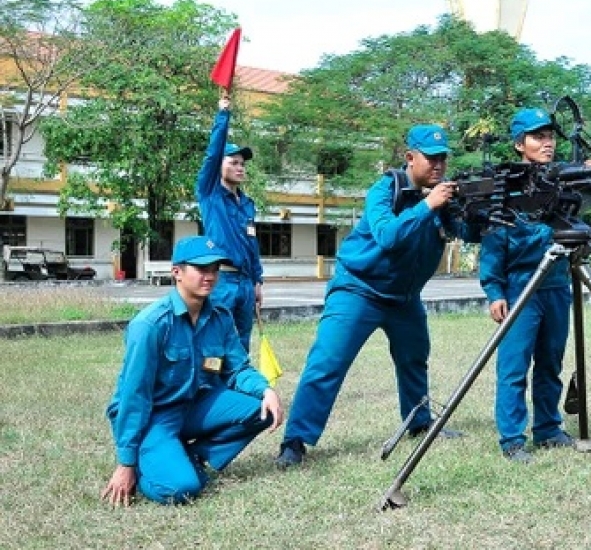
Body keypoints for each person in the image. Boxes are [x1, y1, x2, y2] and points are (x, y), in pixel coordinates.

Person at [276, 124, 479, 468]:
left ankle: (418, 423)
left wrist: (479, 210)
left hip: (404, 297)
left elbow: (469, 233)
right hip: (358, 290)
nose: (438, 166)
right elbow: (386, 235)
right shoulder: (386, 189)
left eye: (443, 159)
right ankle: (295, 441)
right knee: (327, 363)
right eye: (431, 159)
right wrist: (428, 204)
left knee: (414, 360)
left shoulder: (442, 197)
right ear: (410, 157)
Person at [102, 236, 283, 506]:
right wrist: (125, 462)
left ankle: (193, 455)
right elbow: (134, 395)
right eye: (201, 269)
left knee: (262, 409)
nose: (209, 276)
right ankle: (145, 464)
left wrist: (266, 389)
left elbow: (237, 368)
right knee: (182, 489)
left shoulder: (219, 317)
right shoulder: (151, 325)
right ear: (177, 272)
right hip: (154, 415)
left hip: (192, 406)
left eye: (215, 269)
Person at [479, 108, 576, 464]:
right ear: (520, 144)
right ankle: (512, 439)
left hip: (557, 284)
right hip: (520, 286)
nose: (547, 143)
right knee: (514, 366)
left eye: (550, 136)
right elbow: (492, 244)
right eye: (538, 137)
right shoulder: (505, 188)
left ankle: (549, 428)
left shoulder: (562, 179)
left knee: (551, 363)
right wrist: (494, 291)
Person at [196, 95, 263, 352]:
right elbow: (213, 154)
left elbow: (252, 245)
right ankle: (212, 389)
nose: (240, 168)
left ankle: (239, 389)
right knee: (215, 340)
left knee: (243, 343)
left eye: (242, 164)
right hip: (221, 279)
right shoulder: (210, 194)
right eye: (233, 162)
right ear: (219, 167)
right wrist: (223, 115)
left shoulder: (247, 204)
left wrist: (257, 282)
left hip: (245, 283)